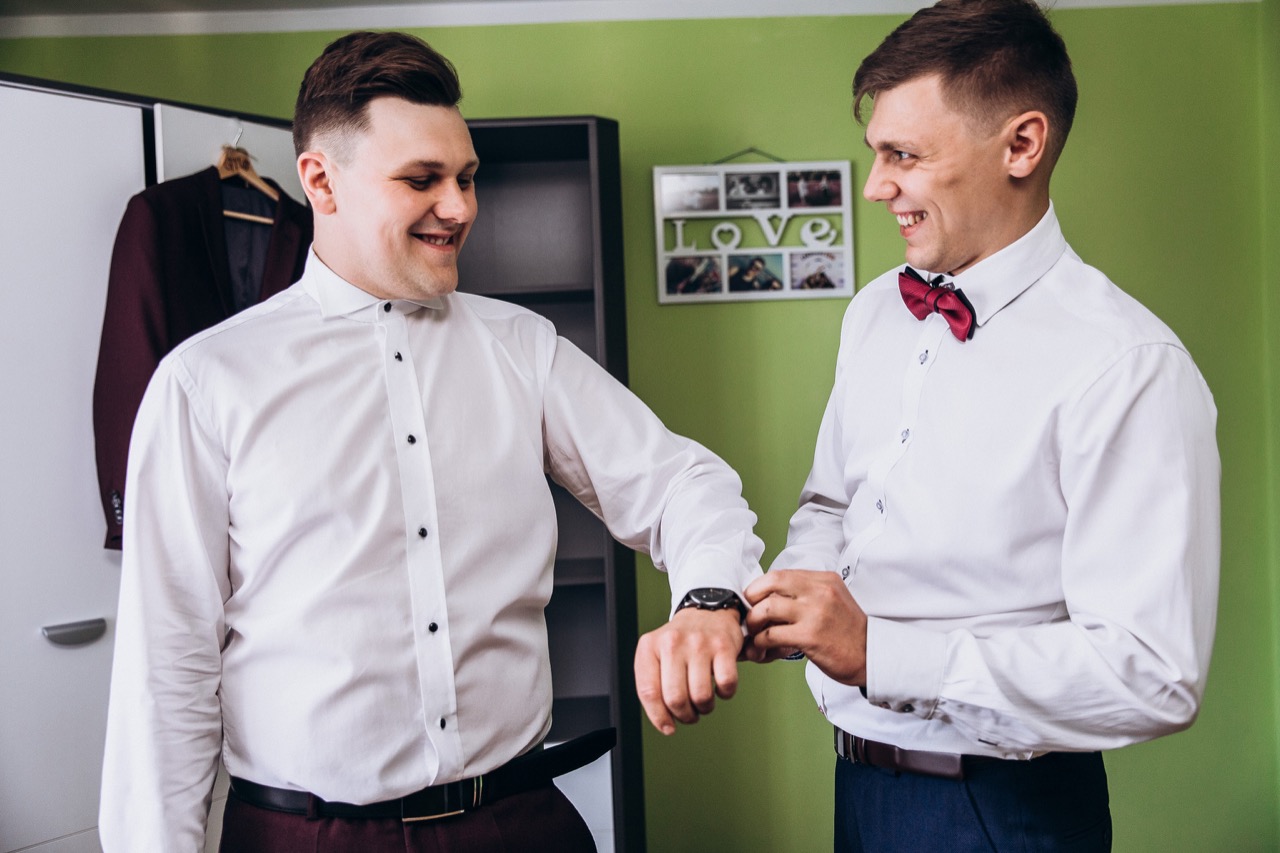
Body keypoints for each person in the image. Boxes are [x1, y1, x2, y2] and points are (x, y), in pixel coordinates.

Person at [99, 31, 762, 852]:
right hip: (305, 837)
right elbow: (166, 671)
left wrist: (708, 598)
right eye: (422, 180)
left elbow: (683, 483)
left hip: (521, 825)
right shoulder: (206, 383)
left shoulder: (523, 347)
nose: (460, 207)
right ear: (320, 181)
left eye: (466, 177)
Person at [740, 1, 1220, 850]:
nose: (875, 186)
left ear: (1022, 145)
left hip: (1001, 809)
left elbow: (1152, 673)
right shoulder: (873, 312)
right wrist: (789, 601)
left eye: (905, 155)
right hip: (858, 784)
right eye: (876, 152)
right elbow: (831, 505)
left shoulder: (1128, 364)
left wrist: (882, 653)